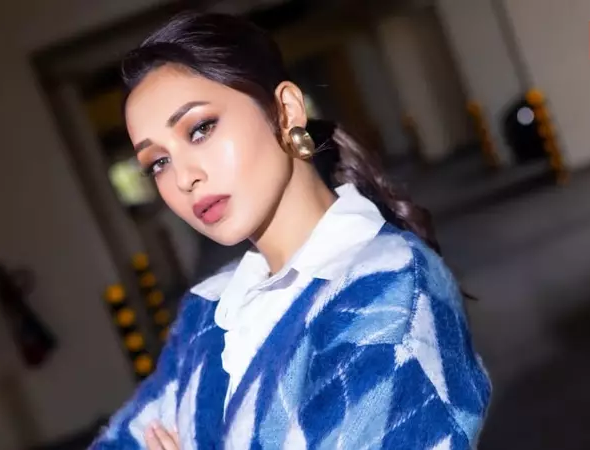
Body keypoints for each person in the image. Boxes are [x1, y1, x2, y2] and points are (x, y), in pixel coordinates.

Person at [91, 11, 491, 450]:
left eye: (200, 129)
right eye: (158, 163)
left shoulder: (388, 292)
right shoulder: (209, 311)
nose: (184, 178)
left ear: (286, 110)